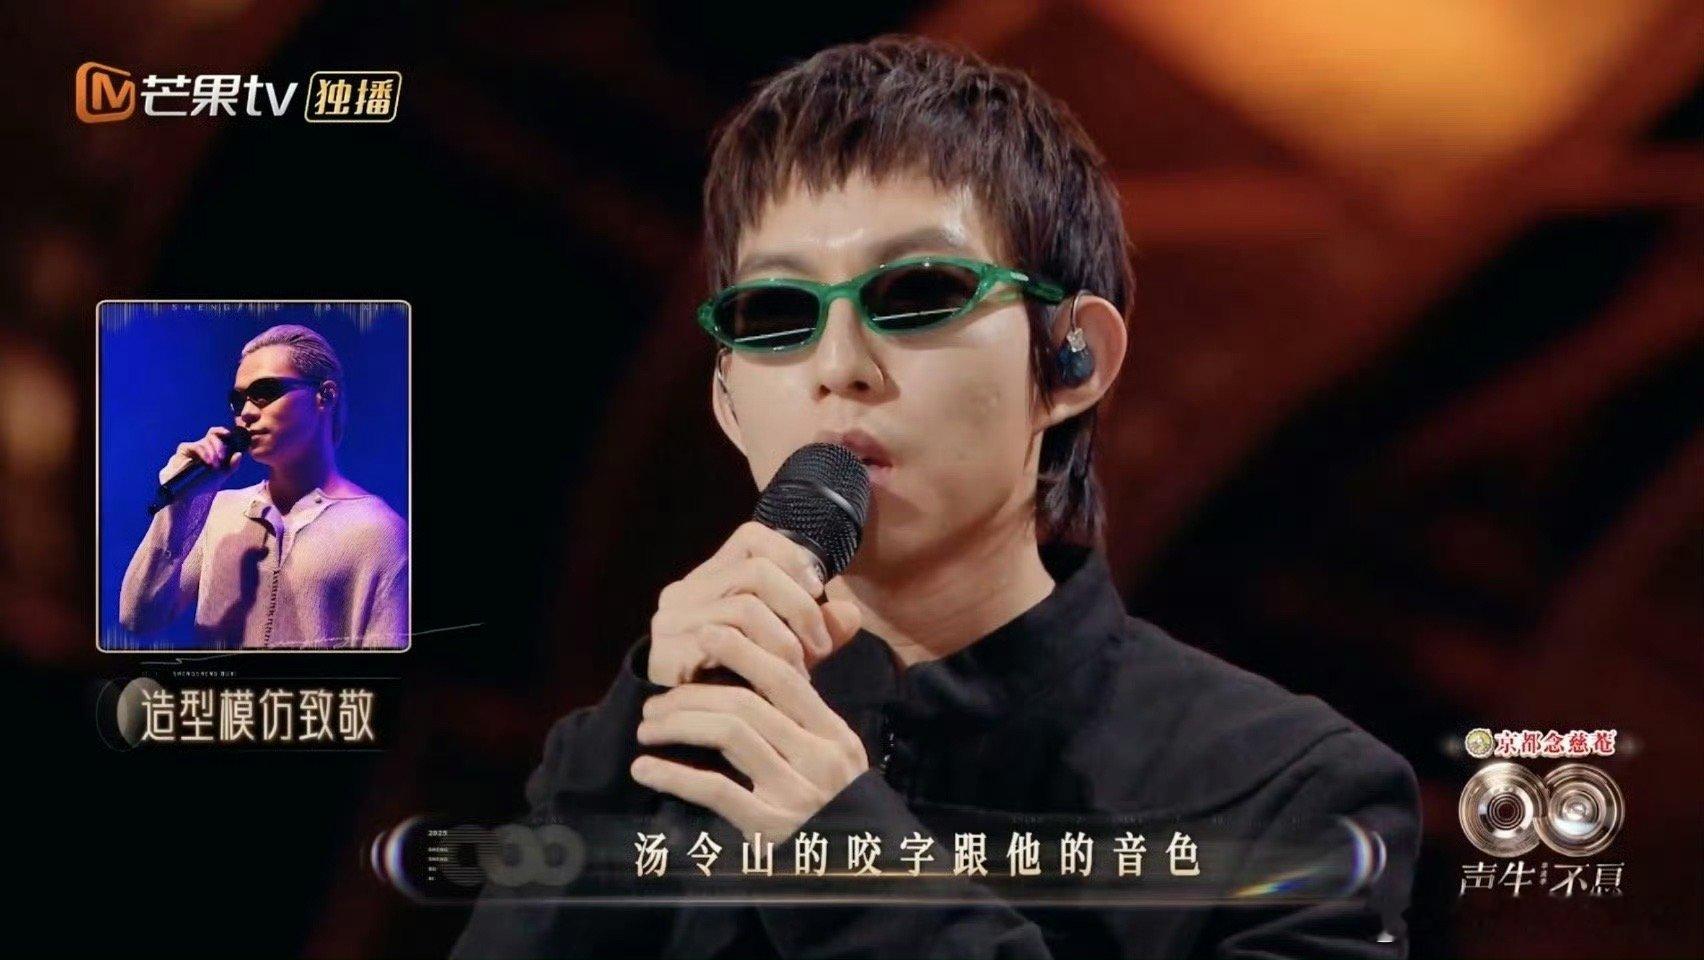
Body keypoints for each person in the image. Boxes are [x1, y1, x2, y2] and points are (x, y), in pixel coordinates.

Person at [453, 35, 1417, 958]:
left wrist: (852, 867)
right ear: (728, 402)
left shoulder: (1285, 793)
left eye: (916, 294)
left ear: (1071, 359)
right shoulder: (635, 755)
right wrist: (626, 759)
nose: (838, 365)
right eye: (776, 311)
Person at [118, 323, 407, 650]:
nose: (246, 413)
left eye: (265, 392)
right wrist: (181, 506)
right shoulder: (217, 513)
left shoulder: (379, 532)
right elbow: (138, 619)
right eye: (237, 400)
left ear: (325, 395)